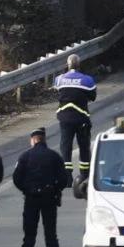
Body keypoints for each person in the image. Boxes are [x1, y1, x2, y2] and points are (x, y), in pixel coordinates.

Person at [13, 127, 70, 247]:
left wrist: (27, 189)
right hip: (49, 200)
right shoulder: (54, 156)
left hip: (31, 200)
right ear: (44, 140)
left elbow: (16, 178)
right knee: (51, 236)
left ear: (33, 140)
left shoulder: (25, 156)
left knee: (29, 236)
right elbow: (64, 179)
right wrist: (55, 189)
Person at [53, 54, 96, 183]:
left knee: (65, 146)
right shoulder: (87, 80)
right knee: (84, 146)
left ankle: (67, 177)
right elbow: (93, 96)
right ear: (79, 64)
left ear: (67, 64)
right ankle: (85, 175)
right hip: (81, 117)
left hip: (65, 118)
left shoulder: (59, 79)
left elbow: (57, 93)